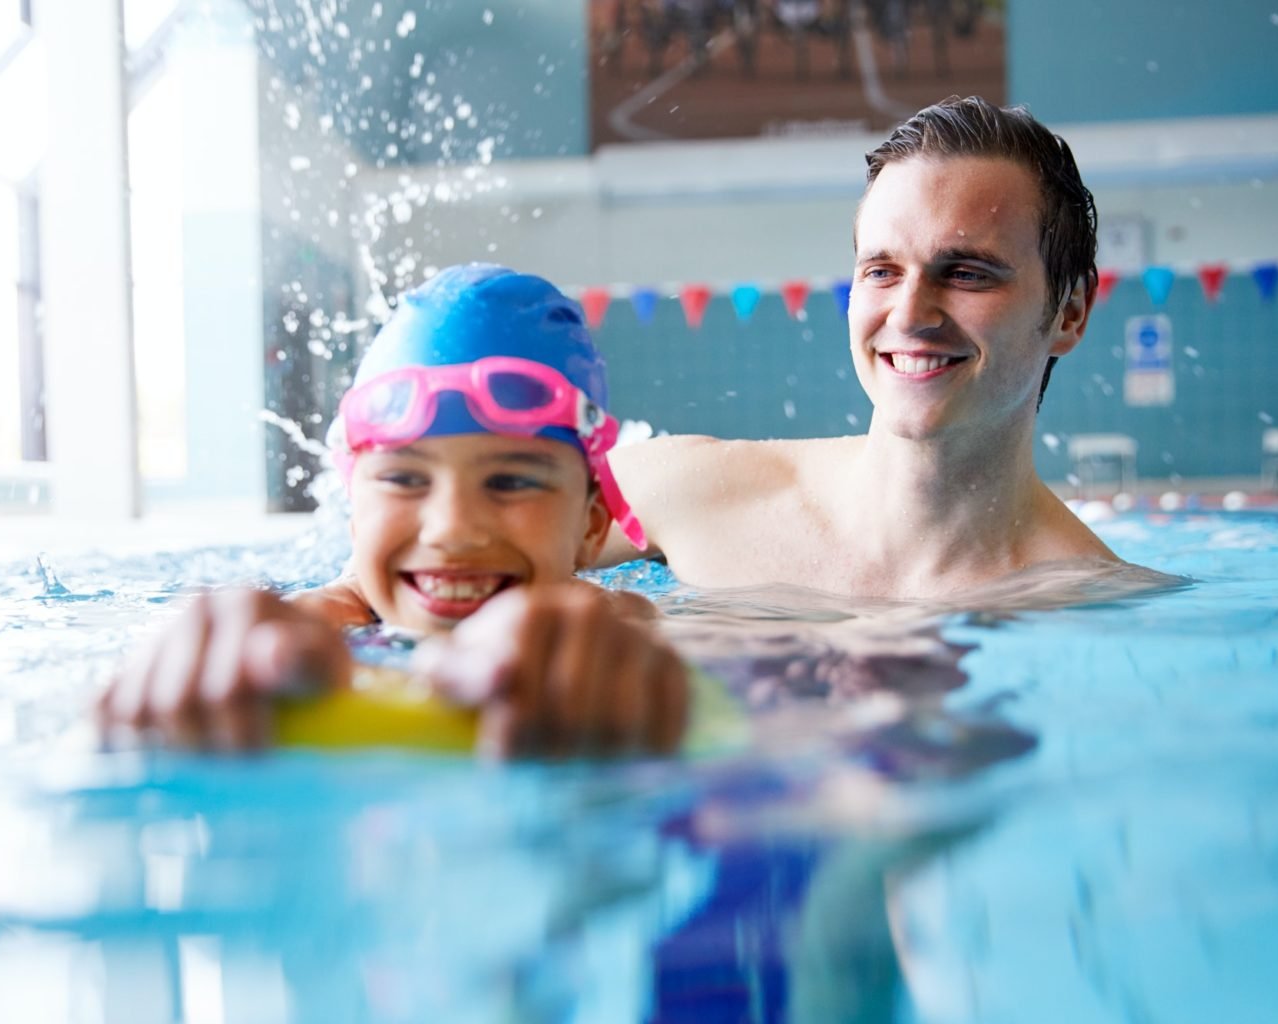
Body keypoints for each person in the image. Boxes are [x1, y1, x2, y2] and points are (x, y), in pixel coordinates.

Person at [98, 264, 688, 758]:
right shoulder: (332, 613)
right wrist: (239, 653)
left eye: (509, 481)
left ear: (591, 525)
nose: (452, 528)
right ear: (354, 511)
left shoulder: (611, 621)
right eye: (405, 479)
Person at [599, 95, 1131, 601]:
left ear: (1071, 311)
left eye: (967, 274)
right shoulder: (688, 495)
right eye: (882, 271)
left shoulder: (1093, 606)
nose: (908, 315)